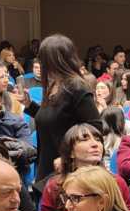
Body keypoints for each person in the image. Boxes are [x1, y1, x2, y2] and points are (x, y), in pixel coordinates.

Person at [29, 34, 102, 180]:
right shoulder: (53, 84)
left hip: (69, 169)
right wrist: (29, 105)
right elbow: (53, 120)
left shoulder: (77, 87)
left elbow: (94, 128)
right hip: (47, 162)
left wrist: (67, 157)